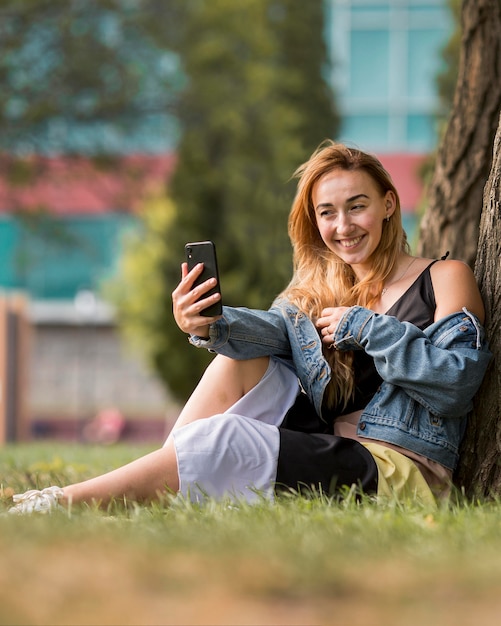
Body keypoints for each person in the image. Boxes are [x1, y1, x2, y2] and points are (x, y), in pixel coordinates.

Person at [8, 141, 491, 515]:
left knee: (225, 439)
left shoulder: (443, 278)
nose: (343, 226)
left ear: (388, 204)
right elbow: (268, 331)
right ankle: (163, 482)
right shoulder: (318, 290)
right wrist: (208, 322)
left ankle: (66, 503)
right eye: (327, 213)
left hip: (399, 470)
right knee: (236, 359)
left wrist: (368, 327)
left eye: (357, 206)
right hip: (332, 450)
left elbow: (455, 384)